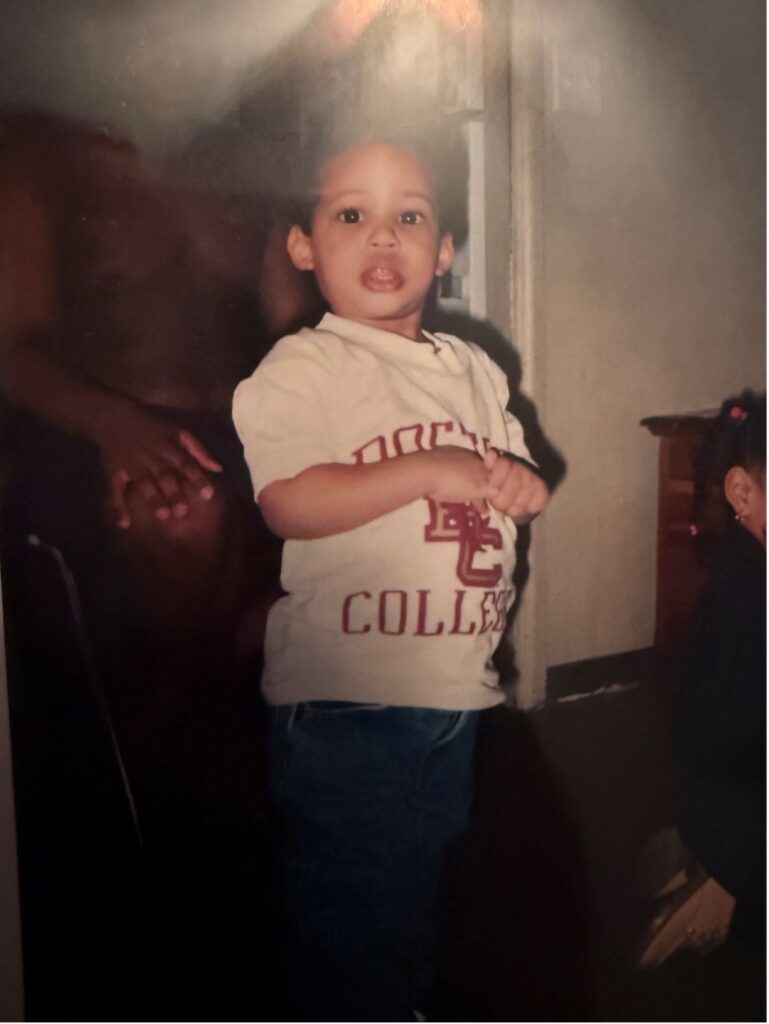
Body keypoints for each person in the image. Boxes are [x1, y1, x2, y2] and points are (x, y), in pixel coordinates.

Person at [233, 134, 550, 1020]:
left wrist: (520, 485)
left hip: (452, 691)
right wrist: (422, 471)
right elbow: (288, 501)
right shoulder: (308, 366)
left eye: (408, 217)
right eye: (351, 215)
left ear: (443, 250)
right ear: (303, 245)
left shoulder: (476, 371)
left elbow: (511, 473)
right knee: (353, 908)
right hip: (349, 700)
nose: (382, 236)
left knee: (415, 881)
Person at [0, 110, 317, 823]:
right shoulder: (38, 159)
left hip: (244, 433)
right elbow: (14, 351)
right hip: (95, 432)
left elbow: (292, 330)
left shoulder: (241, 155)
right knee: (182, 513)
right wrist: (114, 424)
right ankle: (186, 763)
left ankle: (239, 752)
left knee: (384, 508)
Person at [674, 391, 766, 958]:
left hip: (718, 798)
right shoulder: (747, 597)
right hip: (737, 822)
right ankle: (725, 884)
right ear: (742, 493)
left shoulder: (743, 568)